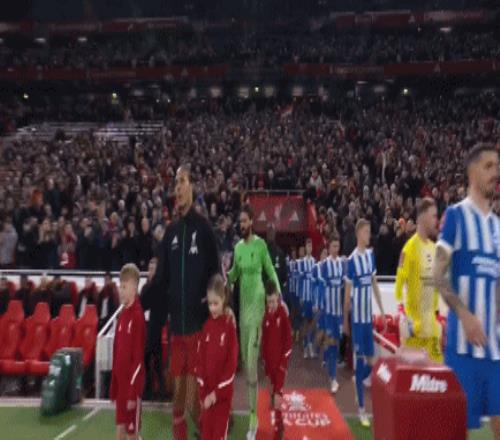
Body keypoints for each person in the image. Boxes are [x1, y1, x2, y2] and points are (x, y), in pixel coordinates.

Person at [145, 165, 226, 440]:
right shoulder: (170, 233)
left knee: (193, 398)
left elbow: (217, 275)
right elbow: (160, 280)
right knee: (178, 400)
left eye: (182, 182)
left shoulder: (203, 229)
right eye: (175, 183)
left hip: (199, 329)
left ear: (192, 187)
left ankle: (212, 432)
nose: (178, 188)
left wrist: (223, 310)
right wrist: (137, 302)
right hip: (177, 330)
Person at [433, 143, 499, 438]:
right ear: (472, 173)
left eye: (497, 167)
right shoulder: (455, 216)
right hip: (463, 350)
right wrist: (464, 315)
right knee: (457, 429)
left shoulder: (497, 226)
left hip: (495, 349)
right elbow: (437, 275)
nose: (496, 173)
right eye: (489, 166)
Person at [227, 204, 281, 440]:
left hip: (258, 310)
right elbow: (233, 274)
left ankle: (253, 417)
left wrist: (278, 296)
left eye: (244, 221)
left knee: (250, 364)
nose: (242, 225)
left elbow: (270, 270)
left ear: (252, 222)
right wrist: (223, 280)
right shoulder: (238, 248)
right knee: (246, 363)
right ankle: (254, 409)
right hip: (243, 314)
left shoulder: (260, 246)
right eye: (239, 222)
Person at [343, 219, 386, 427]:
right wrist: (345, 321)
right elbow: (347, 295)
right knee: (361, 363)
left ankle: (358, 380)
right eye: (367, 231)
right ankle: (361, 409)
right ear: (359, 233)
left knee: (371, 363)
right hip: (358, 322)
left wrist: (382, 311)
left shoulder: (370, 256)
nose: (369, 235)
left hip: (368, 319)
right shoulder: (351, 261)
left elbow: (374, 284)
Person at [395, 197, 442, 362]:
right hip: (414, 332)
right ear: (422, 217)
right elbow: (399, 287)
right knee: (415, 375)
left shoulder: (434, 249)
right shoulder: (408, 249)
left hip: (432, 331)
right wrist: (404, 319)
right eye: (433, 216)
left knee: (439, 374)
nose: (436, 221)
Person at [195, 274, 238, 440]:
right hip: (206, 398)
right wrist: (203, 392)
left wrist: (216, 394)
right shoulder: (206, 327)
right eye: (210, 304)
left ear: (223, 299)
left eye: (216, 303)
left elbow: (231, 366)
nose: (212, 308)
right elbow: (200, 362)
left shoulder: (229, 327)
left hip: (222, 400)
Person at [110, 263, 146, 440]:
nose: (121, 291)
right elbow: (116, 352)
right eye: (120, 286)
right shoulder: (122, 316)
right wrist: (114, 385)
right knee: (120, 435)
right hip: (121, 388)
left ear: (134, 287)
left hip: (132, 388)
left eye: (124, 287)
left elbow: (138, 359)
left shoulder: (138, 316)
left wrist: (133, 392)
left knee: (132, 435)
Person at [318, 235, 344, 394]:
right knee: (332, 343)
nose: (336, 249)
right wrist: (320, 305)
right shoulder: (324, 265)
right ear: (329, 248)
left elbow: (344, 287)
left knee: (335, 343)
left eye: (337, 246)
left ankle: (326, 359)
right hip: (328, 312)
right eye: (333, 246)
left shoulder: (342, 264)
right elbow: (320, 288)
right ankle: (333, 378)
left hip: (338, 313)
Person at [261, 279, 292, 409]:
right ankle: (274, 404)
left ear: (278, 298)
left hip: (280, 362)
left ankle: (279, 418)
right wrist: (264, 357)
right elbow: (264, 339)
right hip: (269, 362)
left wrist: (285, 359)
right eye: (269, 302)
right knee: (271, 391)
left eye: (274, 301)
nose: (272, 305)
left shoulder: (282, 314)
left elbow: (288, 339)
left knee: (278, 396)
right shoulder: (266, 316)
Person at [297, 238, 316, 359]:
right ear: (305, 247)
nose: (309, 248)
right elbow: (300, 281)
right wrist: (300, 296)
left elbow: (316, 282)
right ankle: (304, 347)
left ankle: (310, 345)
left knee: (311, 323)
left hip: (312, 298)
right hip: (304, 297)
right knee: (304, 322)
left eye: (311, 246)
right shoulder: (302, 262)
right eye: (308, 246)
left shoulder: (314, 262)